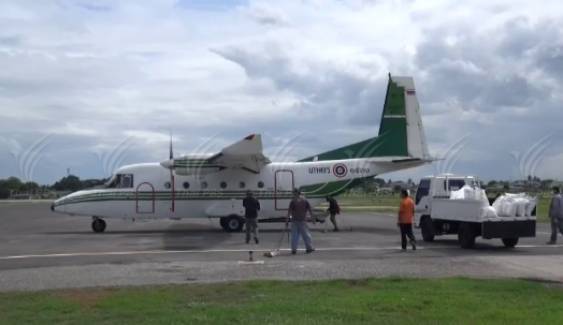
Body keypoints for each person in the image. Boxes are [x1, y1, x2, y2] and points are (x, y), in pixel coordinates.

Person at [287, 189, 315, 254]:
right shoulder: (303, 201)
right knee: (305, 235)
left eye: (294, 193)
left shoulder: (294, 201)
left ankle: (294, 249)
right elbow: (310, 210)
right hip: (301, 221)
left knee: (295, 236)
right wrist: (313, 218)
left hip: (297, 221)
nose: (293, 194)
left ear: (296, 193)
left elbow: (289, 212)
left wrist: (287, 220)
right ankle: (308, 248)